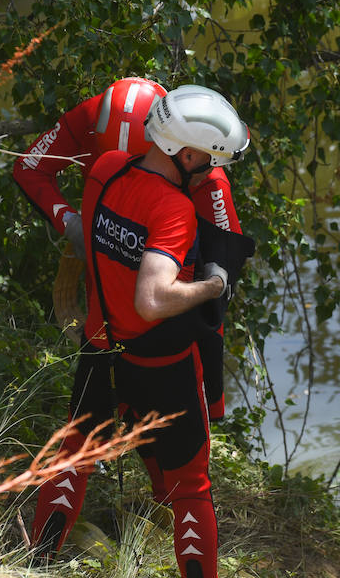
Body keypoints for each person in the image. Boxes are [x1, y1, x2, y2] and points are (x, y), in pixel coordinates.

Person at [25, 84, 252, 578]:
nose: (212, 173)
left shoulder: (104, 169)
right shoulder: (174, 207)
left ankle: (34, 568)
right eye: (212, 162)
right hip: (163, 366)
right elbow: (154, 298)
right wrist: (211, 285)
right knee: (192, 489)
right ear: (189, 154)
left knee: (76, 449)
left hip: (100, 347)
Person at [12, 76, 244, 422]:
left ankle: (206, 412)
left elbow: (228, 250)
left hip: (167, 266)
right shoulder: (93, 113)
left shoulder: (201, 163)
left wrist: (207, 284)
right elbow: (30, 168)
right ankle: (99, 427)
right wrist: (73, 225)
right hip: (108, 250)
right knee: (102, 327)